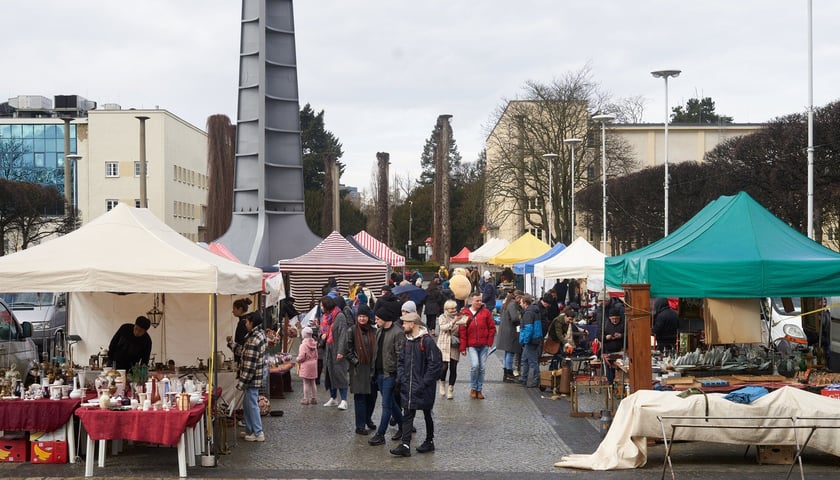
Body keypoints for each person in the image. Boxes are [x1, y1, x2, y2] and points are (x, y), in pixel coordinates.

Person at [390, 312, 442, 457]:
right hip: (408, 385)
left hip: (423, 387)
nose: (403, 325)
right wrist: (401, 377)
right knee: (407, 414)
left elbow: (435, 364)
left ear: (413, 324)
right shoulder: (407, 341)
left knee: (427, 413)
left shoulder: (427, 342)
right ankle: (405, 444)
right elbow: (401, 361)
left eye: (405, 323)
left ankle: (429, 441)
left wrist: (424, 383)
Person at [368, 301, 405, 446]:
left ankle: (380, 434)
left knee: (386, 405)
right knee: (391, 403)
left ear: (385, 318)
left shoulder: (398, 333)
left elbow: (400, 356)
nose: (375, 321)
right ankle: (403, 426)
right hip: (379, 373)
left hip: (390, 374)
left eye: (378, 319)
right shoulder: (379, 331)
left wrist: (398, 377)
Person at [232, 312, 267, 442]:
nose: (245, 323)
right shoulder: (257, 334)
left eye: (247, 321)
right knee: (248, 405)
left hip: (252, 378)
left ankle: (258, 432)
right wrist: (232, 345)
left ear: (252, 323)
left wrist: (242, 382)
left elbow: (249, 365)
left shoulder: (253, 339)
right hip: (254, 377)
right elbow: (244, 352)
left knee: (251, 405)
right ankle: (251, 430)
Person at [347, 305, 379, 435]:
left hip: (372, 369)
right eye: (360, 316)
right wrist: (356, 362)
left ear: (368, 317)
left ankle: (368, 419)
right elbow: (348, 350)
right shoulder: (352, 330)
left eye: (364, 316)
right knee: (360, 398)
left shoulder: (374, 331)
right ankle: (360, 425)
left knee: (372, 397)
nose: (362, 318)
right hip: (359, 370)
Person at [459, 292, 496, 399]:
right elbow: (462, 331)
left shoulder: (486, 312)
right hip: (472, 345)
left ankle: (479, 389)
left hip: (484, 344)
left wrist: (489, 342)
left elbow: (492, 328)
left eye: (480, 300)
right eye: (477, 301)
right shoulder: (465, 313)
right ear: (471, 301)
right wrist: (463, 347)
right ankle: (473, 388)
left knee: (482, 368)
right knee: (475, 366)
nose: (479, 302)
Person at [319, 295, 351, 410]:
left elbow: (343, 334)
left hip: (337, 348)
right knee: (329, 373)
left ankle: (344, 400)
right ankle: (333, 398)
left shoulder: (340, 316)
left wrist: (341, 351)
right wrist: (321, 336)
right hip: (328, 349)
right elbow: (322, 330)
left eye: (322, 305)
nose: (321, 308)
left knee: (340, 374)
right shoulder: (325, 317)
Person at [435, 299, 463, 399]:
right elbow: (443, 328)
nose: (454, 310)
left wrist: (464, 321)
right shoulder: (442, 317)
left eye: (455, 308)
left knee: (453, 367)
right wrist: (454, 321)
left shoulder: (459, 317)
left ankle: (451, 388)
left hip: (454, 344)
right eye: (451, 308)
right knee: (444, 367)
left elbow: (462, 329)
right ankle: (442, 383)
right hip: (443, 343)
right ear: (446, 309)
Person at [497, 290, 523, 383]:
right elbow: (515, 318)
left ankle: (506, 373)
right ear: (517, 297)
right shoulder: (512, 305)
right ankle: (508, 373)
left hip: (505, 331)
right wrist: (521, 317)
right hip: (510, 332)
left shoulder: (506, 303)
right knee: (510, 353)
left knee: (507, 353)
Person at [517, 294, 542, 388]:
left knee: (532, 361)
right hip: (536, 338)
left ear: (525, 303)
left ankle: (535, 380)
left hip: (531, 340)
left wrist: (525, 341)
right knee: (525, 359)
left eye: (521, 302)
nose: (520, 304)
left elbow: (528, 329)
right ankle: (524, 378)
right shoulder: (535, 311)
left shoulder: (528, 313)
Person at [296, 326, 318, 405]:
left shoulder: (303, 345)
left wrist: (297, 359)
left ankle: (306, 399)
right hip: (313, 365)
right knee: (313, 382)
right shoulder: (314, 344)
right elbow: (316, 356)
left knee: (305, 383)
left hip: (306, 365)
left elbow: (301, 357)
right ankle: (314, 398)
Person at [603, 307, 625, 384]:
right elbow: (599, 335)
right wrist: (605, 337)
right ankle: (610, 383)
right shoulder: (605, 324)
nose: (615, 320)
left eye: (616, 319)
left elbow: (628, 335)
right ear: (609, 318)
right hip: (609, 349)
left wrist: (621, 335)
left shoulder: (623, 324)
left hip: (620, 350)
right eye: (613, 319)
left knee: (619, 367)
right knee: (609, 367)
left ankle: (618, 383)